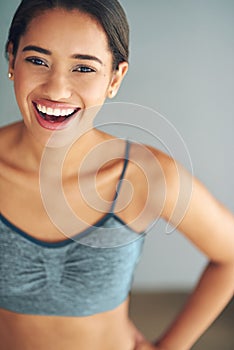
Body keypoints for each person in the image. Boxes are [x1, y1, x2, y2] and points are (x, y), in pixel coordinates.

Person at [0, 0, 233, 349]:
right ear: (12, 59)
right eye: (37, 60)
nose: (57, 89)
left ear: (115, 78)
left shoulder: (143, 177)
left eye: (84, 68)